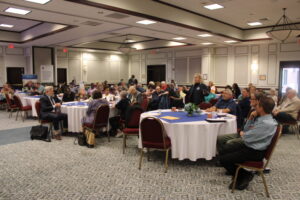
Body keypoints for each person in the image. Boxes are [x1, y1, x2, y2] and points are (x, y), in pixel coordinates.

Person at [219, 97, 277, 190]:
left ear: (261, 108)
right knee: (224, 150)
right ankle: (242, 174)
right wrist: (250, 118)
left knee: (223, 159)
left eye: (257, 105)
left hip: (255, 151)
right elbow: (246, 131)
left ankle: (244, 175)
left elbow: (247, 137)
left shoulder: (266, 123)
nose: (255, 106)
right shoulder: (262, 118)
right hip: (250, 146)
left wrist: (244, 134)